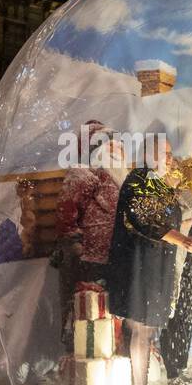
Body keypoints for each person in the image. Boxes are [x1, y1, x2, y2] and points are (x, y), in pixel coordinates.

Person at [106, 135, 192, 385]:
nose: (170, 158)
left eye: (171, 153)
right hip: (139, 268)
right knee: (140, 329)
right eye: (165, 152)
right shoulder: (139, 180)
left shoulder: (158, 185)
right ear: (149, 154)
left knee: (146, 331)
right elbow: (143, 219)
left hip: (154, 267)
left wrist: (185, 231)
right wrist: (181, 239)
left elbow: (163, 221)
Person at [54, 120, 123, 347]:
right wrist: (76, 246)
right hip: (90, 261)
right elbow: (66, 217)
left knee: (108, 316)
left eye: (116, 143)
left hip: (115, 258)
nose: (115, 148)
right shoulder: (82, 176)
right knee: (85, 317)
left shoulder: (119, 179)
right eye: (107, 144)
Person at [160, 168, 192, 385]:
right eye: (172, 171)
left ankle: (182, 365)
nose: (177, 175)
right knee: (172, 316)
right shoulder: (160, 197)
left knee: (188, 314)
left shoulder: (185, 194)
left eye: (179, 171)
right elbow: (163, 230)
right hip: (173, 260)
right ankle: (171, 370)